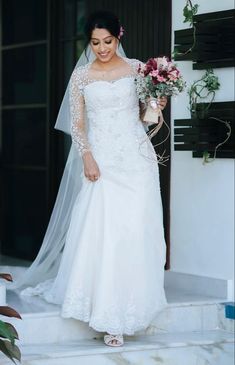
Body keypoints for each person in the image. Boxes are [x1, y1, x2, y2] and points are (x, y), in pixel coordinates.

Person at [10, 10, 168, 347]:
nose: (102, 48)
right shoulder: (81, 77)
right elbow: (78, 125)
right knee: (107, 230)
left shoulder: (138, 68)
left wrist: (157, 104)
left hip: (137, 158)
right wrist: (87, 156)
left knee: (137, 229)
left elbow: (146, 115)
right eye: (95, 43)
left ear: (118, 37)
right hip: (102, 160)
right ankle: (110, 317)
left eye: (107, 41)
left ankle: (136, 307)